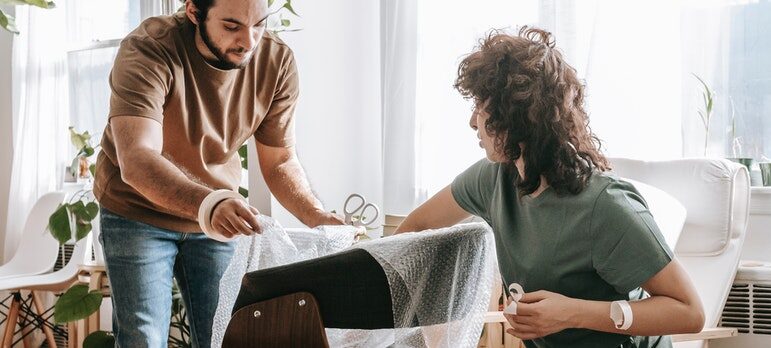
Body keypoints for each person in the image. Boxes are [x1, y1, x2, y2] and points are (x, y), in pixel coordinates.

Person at [394, 27, 704, 348]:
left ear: (514, 118)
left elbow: (689, 312)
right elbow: (418, 226)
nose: (473, 121)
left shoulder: (605, 206)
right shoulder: (494, 178)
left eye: (482, 106)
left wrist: (573, 313)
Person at [93, 0, 344, 346]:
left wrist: (316, 216)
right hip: (137, 212)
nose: (249, 41)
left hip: (217, 218)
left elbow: (280, 161)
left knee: (226, 335)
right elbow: (137, 158)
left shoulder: (276, 61)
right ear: (194, 12)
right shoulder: (149, 49)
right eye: (231, 26)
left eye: (259, 24)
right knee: (143, 337)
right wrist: (209, 203)